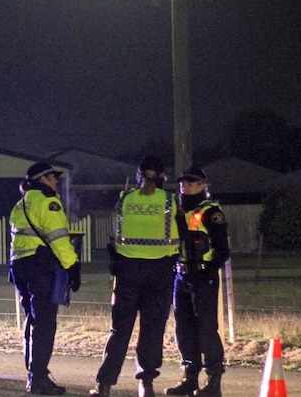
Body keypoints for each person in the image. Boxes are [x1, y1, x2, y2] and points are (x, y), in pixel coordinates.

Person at [90, 156, 179, 397]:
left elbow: (116, 233)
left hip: (127, 271)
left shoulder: (124, 200)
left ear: (139, 176)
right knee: (152, 329)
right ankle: (146, 384)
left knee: (120, 330)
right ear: (163, 178)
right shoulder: (171, 201)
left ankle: (104, 384)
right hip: (160, 271)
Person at [10, 162, 81, 395]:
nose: (56, 181)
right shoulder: (48, 202)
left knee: (33, 320)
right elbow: (59, 238)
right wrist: (72, 266)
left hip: (19, 266)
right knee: (45, 324)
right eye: (53, 178)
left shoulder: (20, 205)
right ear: (42, 180)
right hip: (40, 267)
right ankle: (38, 378)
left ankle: (34, 373)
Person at [165, 166, 230, 397]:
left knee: (206, 331)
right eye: (183, 183)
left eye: (192, 183)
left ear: (203, 186)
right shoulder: (176, 210)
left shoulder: (210, 212)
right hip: (181, 277)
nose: (186, 187)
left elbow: (223, 249)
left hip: (203, 278)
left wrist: (209, 271)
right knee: (183, 330)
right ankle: (189, 378)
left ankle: (214, 382)